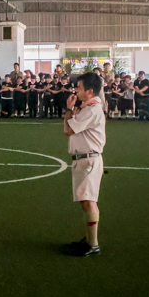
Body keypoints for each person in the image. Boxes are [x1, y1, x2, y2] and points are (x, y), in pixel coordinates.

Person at [63, 72, 106, 257]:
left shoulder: (91, 110)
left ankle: (93, 244)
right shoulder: (89, 107)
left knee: (89, 202)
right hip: (85, 159)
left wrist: (68, 109)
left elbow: (68, 129)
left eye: (79, 88)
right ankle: (89, 239)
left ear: (90, 91)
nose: (76, 91)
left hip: (88, 159)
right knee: (86, 200)